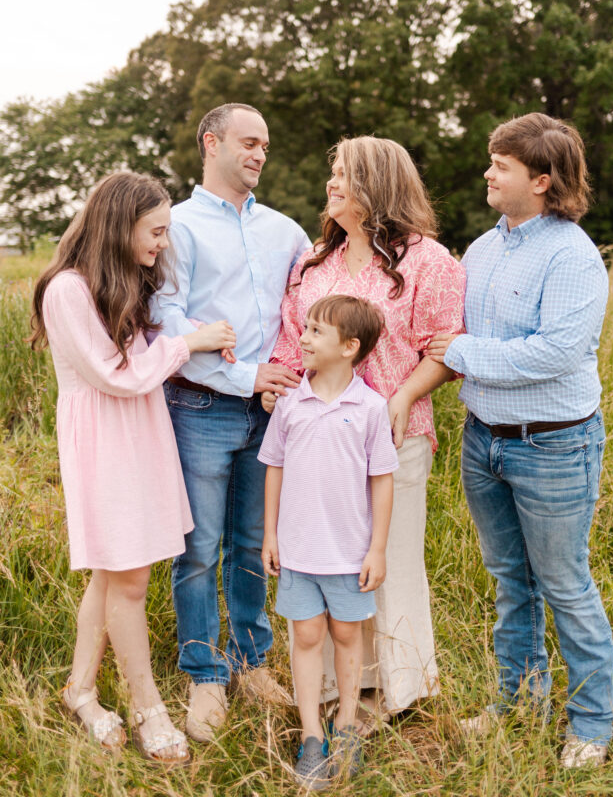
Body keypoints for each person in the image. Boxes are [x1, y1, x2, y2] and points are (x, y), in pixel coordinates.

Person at [426, 112, 613, 769]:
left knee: (564, 583)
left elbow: (555, 354)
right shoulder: (480, 250)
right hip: (483, 441)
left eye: (499, 165)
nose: (487, 172)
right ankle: (518, 701)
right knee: (510, 579)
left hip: (552, 446)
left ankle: (591, 723)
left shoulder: (571, 254)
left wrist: (460, 351)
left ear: (540, 180)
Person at [30, 172, 237, 765]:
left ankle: (81, 691)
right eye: (155, 231)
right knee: (129, 579)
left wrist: (193, 337)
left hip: (141, 434)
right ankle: (148, 707)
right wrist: (186, 345)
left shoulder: (119, 285)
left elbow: (144, 360)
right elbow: (116, 376)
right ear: (121, 225)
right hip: (105, 442)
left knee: (112, 572)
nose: (162, 244)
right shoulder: (67, 290)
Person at [266, 136, 466, 727]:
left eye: (345, 175)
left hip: (394, 437)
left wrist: (403, 394)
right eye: (332, 173)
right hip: (317, 443)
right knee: (325, 558)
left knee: (389, 559)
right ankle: (333, 691)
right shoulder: (313, 264)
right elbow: (290, 345)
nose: (332, 185)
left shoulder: (430, 262)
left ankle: (398, 691)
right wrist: (270, 386)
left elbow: (446, 348)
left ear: (376, 187)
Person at [151, 103, 310, 742]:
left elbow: (305, 305)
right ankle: (204, 672)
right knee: (198, 548)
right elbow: (167, 317)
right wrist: (244, 375)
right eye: (248, 142)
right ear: (210, 143)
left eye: (266, 145)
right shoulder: (177, 227)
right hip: (201, 408)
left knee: (253, 543)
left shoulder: (286, 231)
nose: (260, 154)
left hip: (272, 412)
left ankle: (250, 661)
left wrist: (286, 377)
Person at [259, 295, 399, 788]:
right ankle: (311, 734)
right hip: (298, 549)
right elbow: (273, 466)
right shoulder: (292, 402)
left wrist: (377, 548)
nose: (303, 337)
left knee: (346, 637)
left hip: (348, 551)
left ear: (349, 347)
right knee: (307, 637)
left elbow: (381, 479)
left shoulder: (371, 407)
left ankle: (346, 725)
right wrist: (269, 534)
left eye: (317, 331)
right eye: (306, 328)